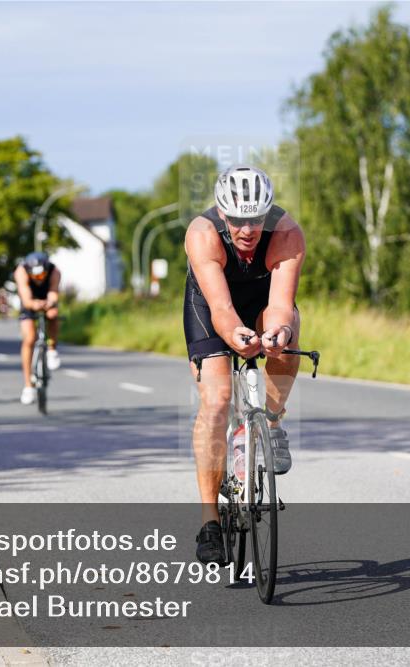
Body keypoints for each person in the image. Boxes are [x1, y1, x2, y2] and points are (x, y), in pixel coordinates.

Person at [183, 165, 306, 564]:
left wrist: (277, 334)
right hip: (212, 305)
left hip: (262, 301)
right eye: (237, 220)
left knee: (286, 343)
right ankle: (209, 521)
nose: (247, 229)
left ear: (267, 213)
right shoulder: (202, 235)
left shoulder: (287, 234)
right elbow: (220, 308)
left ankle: (271, 423)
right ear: (222, 214)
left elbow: (280, 305)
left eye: (255, 218)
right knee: (217, 401)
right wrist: (235, 333)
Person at [14, 251, 62, 405]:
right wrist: (33, 304)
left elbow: (53, 292)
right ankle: (28, 386)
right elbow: (26, 297)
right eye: (35, 276)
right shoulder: (21, 271)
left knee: (53, 315)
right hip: (29, 301)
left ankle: (52, 349)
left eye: (41, 275)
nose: (39, 279)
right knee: (29, 338)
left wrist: (50, 304)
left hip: (46, 298)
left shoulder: (55, 271)